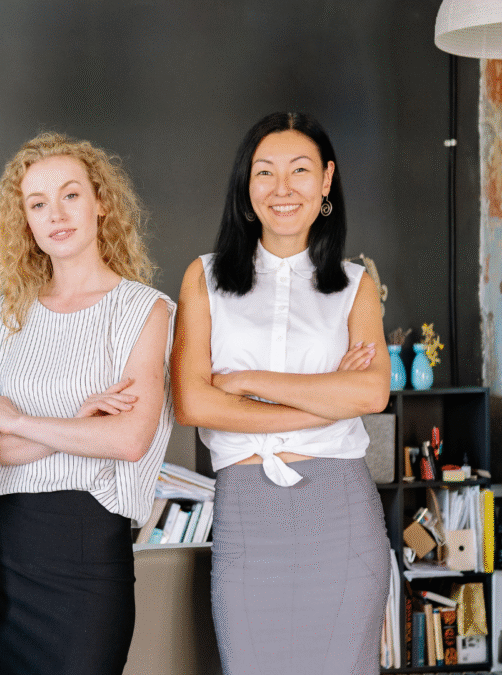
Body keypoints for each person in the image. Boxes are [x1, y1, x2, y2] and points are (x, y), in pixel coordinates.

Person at [171, 111, 391, 675]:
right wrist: (323, 398)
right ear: (247, 188)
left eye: (299, 170)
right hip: (249, 512)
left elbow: (370, 394)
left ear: (326, 182)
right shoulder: (205, 277)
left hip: (340, 510)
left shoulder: (355, 285)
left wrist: (246, 383)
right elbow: (195, 403)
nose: (282, 187)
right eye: (264, 172)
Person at [0, 132, 175, 675]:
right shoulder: (5, 314)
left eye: (71, 195)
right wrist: (72, 426)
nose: (55, 213)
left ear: (101, 202)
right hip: (6, 541)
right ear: (25, 223)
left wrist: (18, 422)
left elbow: (129, 440)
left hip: (87, 541)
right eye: (37, 204)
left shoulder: (144, 311)